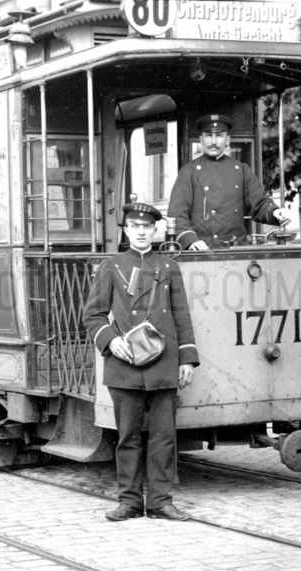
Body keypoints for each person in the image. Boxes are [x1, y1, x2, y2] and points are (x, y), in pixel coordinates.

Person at [83, 200, 199, 521]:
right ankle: (130, 501)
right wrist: (111, 341)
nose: (141, 233)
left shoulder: (169, 266)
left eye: (147, 227)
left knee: (164, 438)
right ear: (126, 230)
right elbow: (92, 315)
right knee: (127, 438)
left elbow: (182, 316)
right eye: (135, 227)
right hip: (124, 364)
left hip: (163, 364)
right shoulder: (111, 266)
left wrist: (187, 359)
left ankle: (161, 501)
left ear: (155, 230)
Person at [167, 113, 291, 250]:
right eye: (208, 135)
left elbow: (259, 203)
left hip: (237, 252)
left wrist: (274, 212)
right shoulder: (189, 171)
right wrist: (191, 241)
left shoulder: (241, 169)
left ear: (227, 140)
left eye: (219, 135)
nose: (213, 141)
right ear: (201, 140)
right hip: (202, 253)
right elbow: (177, 215)